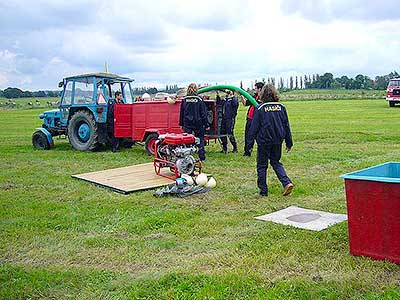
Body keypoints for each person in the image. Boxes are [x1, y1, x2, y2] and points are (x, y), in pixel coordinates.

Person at [247, 84, 294, 197]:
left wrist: (249, 144)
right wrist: (289, 142)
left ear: (263, 94)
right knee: (276, 162)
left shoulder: (260, 108)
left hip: (264, 141)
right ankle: (286, 182)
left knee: (262, 165)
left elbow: (254, 128)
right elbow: (286, 126)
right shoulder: (281, 107)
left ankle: (263, 191)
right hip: (278, 140)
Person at [179, 83, 208, 161]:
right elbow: (203, 113)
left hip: (187, 123)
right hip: (198, 122)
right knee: (200, 139)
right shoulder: (199, 99)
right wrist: (206, 124)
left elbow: (182, 112)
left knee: (187, 139)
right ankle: (201, 157)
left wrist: (181, 124)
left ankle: (187, 156)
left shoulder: (184, 99)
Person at [243, 82, 264, 156]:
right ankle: (247, 152)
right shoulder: (254, 97)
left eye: (255, 88)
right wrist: (241, 95)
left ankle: (262, 151)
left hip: (257, 120)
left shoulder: (264, 98)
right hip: (250, 118)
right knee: (248, 135)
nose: (254, 90)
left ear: (259, 89)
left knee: (258, 136)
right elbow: (245, 103)